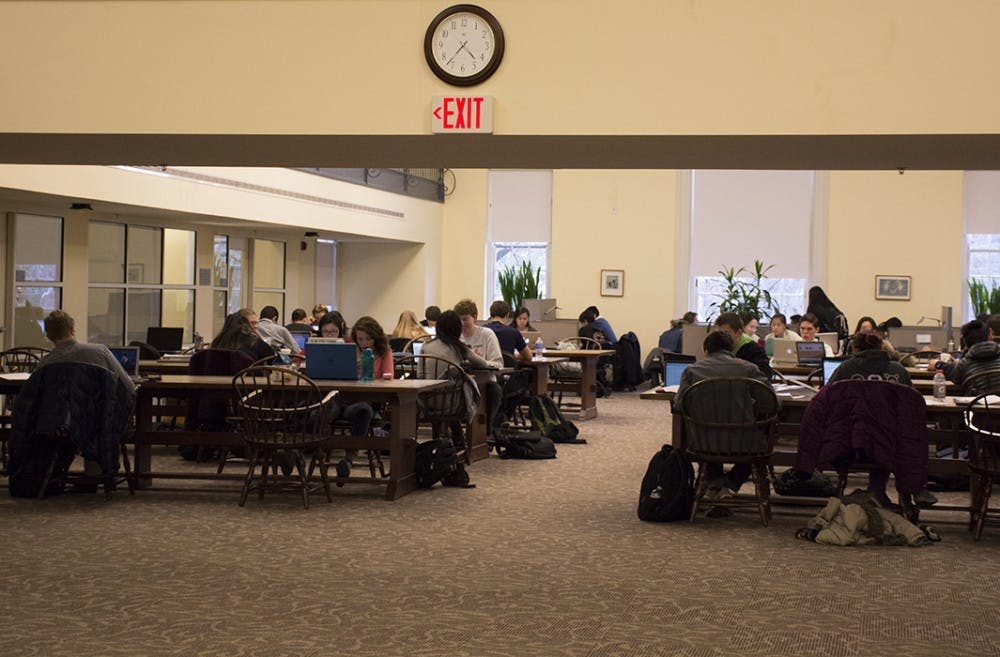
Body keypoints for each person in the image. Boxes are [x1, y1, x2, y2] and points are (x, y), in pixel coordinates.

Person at [673, 331, 777, 500]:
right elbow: (770, 403)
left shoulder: (691, 371)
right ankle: (729, 485)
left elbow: (679, 406)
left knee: (710, 446)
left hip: (703, 440)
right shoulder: (749, 368)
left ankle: (715, 484)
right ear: (732, 349)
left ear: (705, 350)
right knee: (759, 449)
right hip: (744, 440)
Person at [333, 316, 394, 478]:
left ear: (376, 338)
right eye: (360, 338)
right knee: (324, 408)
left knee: (364, 411)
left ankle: (349, 458)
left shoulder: (384, 352)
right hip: (343, 398)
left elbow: (388, 377)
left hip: (366, 401)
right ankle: (300, 449)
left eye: (368, 339)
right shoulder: (349, 349)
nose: (364, 342)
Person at [421, 309, 492, 435]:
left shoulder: (425, 347)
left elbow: (419, 376)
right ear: (457, 329)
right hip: (453, 402)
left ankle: (448, 440)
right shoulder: (460, 348)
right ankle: (459, 441)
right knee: (460, 390)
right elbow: (483, 364)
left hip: (426, 402)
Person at [38, 310, 134, 394]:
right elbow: (128, 386)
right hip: (98, 413)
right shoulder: (100, 352)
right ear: (72, 330)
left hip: (57, 414)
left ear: (49, 336)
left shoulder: (44, 364)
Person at [453, 299, 504, 432]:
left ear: (475, 317)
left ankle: (487, 430)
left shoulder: (487, 335)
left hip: (485, 382)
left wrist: (480, 361)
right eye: (459, 320)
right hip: (462, 382)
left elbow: (498, 364)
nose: (462, 324)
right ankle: (457, 434)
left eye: (465, 319)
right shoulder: (455, 338)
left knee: (495, 391)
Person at [932, 320, 1000, 387]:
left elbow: (955, 377)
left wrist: (938, 364)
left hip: (977, 397)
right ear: (990, 336)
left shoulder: (965, 364)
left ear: (965, 343)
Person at [827, 333, 912, 386]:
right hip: (891, 414)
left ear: (855, 349)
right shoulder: (898, 370)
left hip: (853, 414)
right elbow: (913, 400)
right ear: (881, 347)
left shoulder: (845, 368)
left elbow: (826, 396)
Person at [713, 312, 772, 379]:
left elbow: (765, 375)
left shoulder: (755, 350)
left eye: (726, 333)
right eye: (718, 333)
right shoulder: (715, 346)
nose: (721, 337)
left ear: (739, 333)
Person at [212, 311, 277, 363]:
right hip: (248, 377)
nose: (256, 326)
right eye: (252, 323)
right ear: (244, 322)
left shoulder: (217, 341)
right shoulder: (254, 342)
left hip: (214, 378)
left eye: (256, 323)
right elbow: (272, 357)